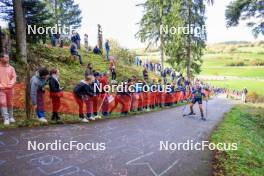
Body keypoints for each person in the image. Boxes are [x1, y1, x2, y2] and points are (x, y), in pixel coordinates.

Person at [0, 54, 16, 125]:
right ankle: (6, 118)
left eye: (8, 57)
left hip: (10, 88)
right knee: (3, 103)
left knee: (10, 102)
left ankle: (11, 117)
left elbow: (14, 77)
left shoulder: (11, 68)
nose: (7, 59)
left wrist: (10, 84)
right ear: (1, 58)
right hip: (1, 89)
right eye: (6, 57)